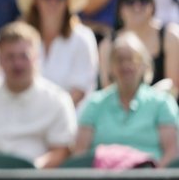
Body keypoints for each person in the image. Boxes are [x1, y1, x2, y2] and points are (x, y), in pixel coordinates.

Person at [0, 22, 77, 167]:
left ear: (36, 57)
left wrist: (30, 171)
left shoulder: (58, 99)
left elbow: (62, 151)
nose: (17, 64)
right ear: (0, 59)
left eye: (24, 56)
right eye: (10, 57)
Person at [76, 31, 179, 166]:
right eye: (119, 59)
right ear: (111, 67)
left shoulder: (162, 103)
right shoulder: (94, 103)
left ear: (144, 65)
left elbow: (172, 152)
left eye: (133, 59)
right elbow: (80, 153)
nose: (126, 65)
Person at [17, 0, 99, 105]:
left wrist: (51, 116)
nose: (53, 1)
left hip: (71, 121)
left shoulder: (83, 38)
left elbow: (80, 91)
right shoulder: (23, 38)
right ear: (36, 0)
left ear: (68, 1)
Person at [101, 0, 179, 88]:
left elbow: (174, 86)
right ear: (120, 9)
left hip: (163, 102)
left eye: (143, 0)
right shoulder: (108, 44)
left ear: (152, 6)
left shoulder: (170, 36)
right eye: (130, 1)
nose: (137, 7)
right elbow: (108, 88)